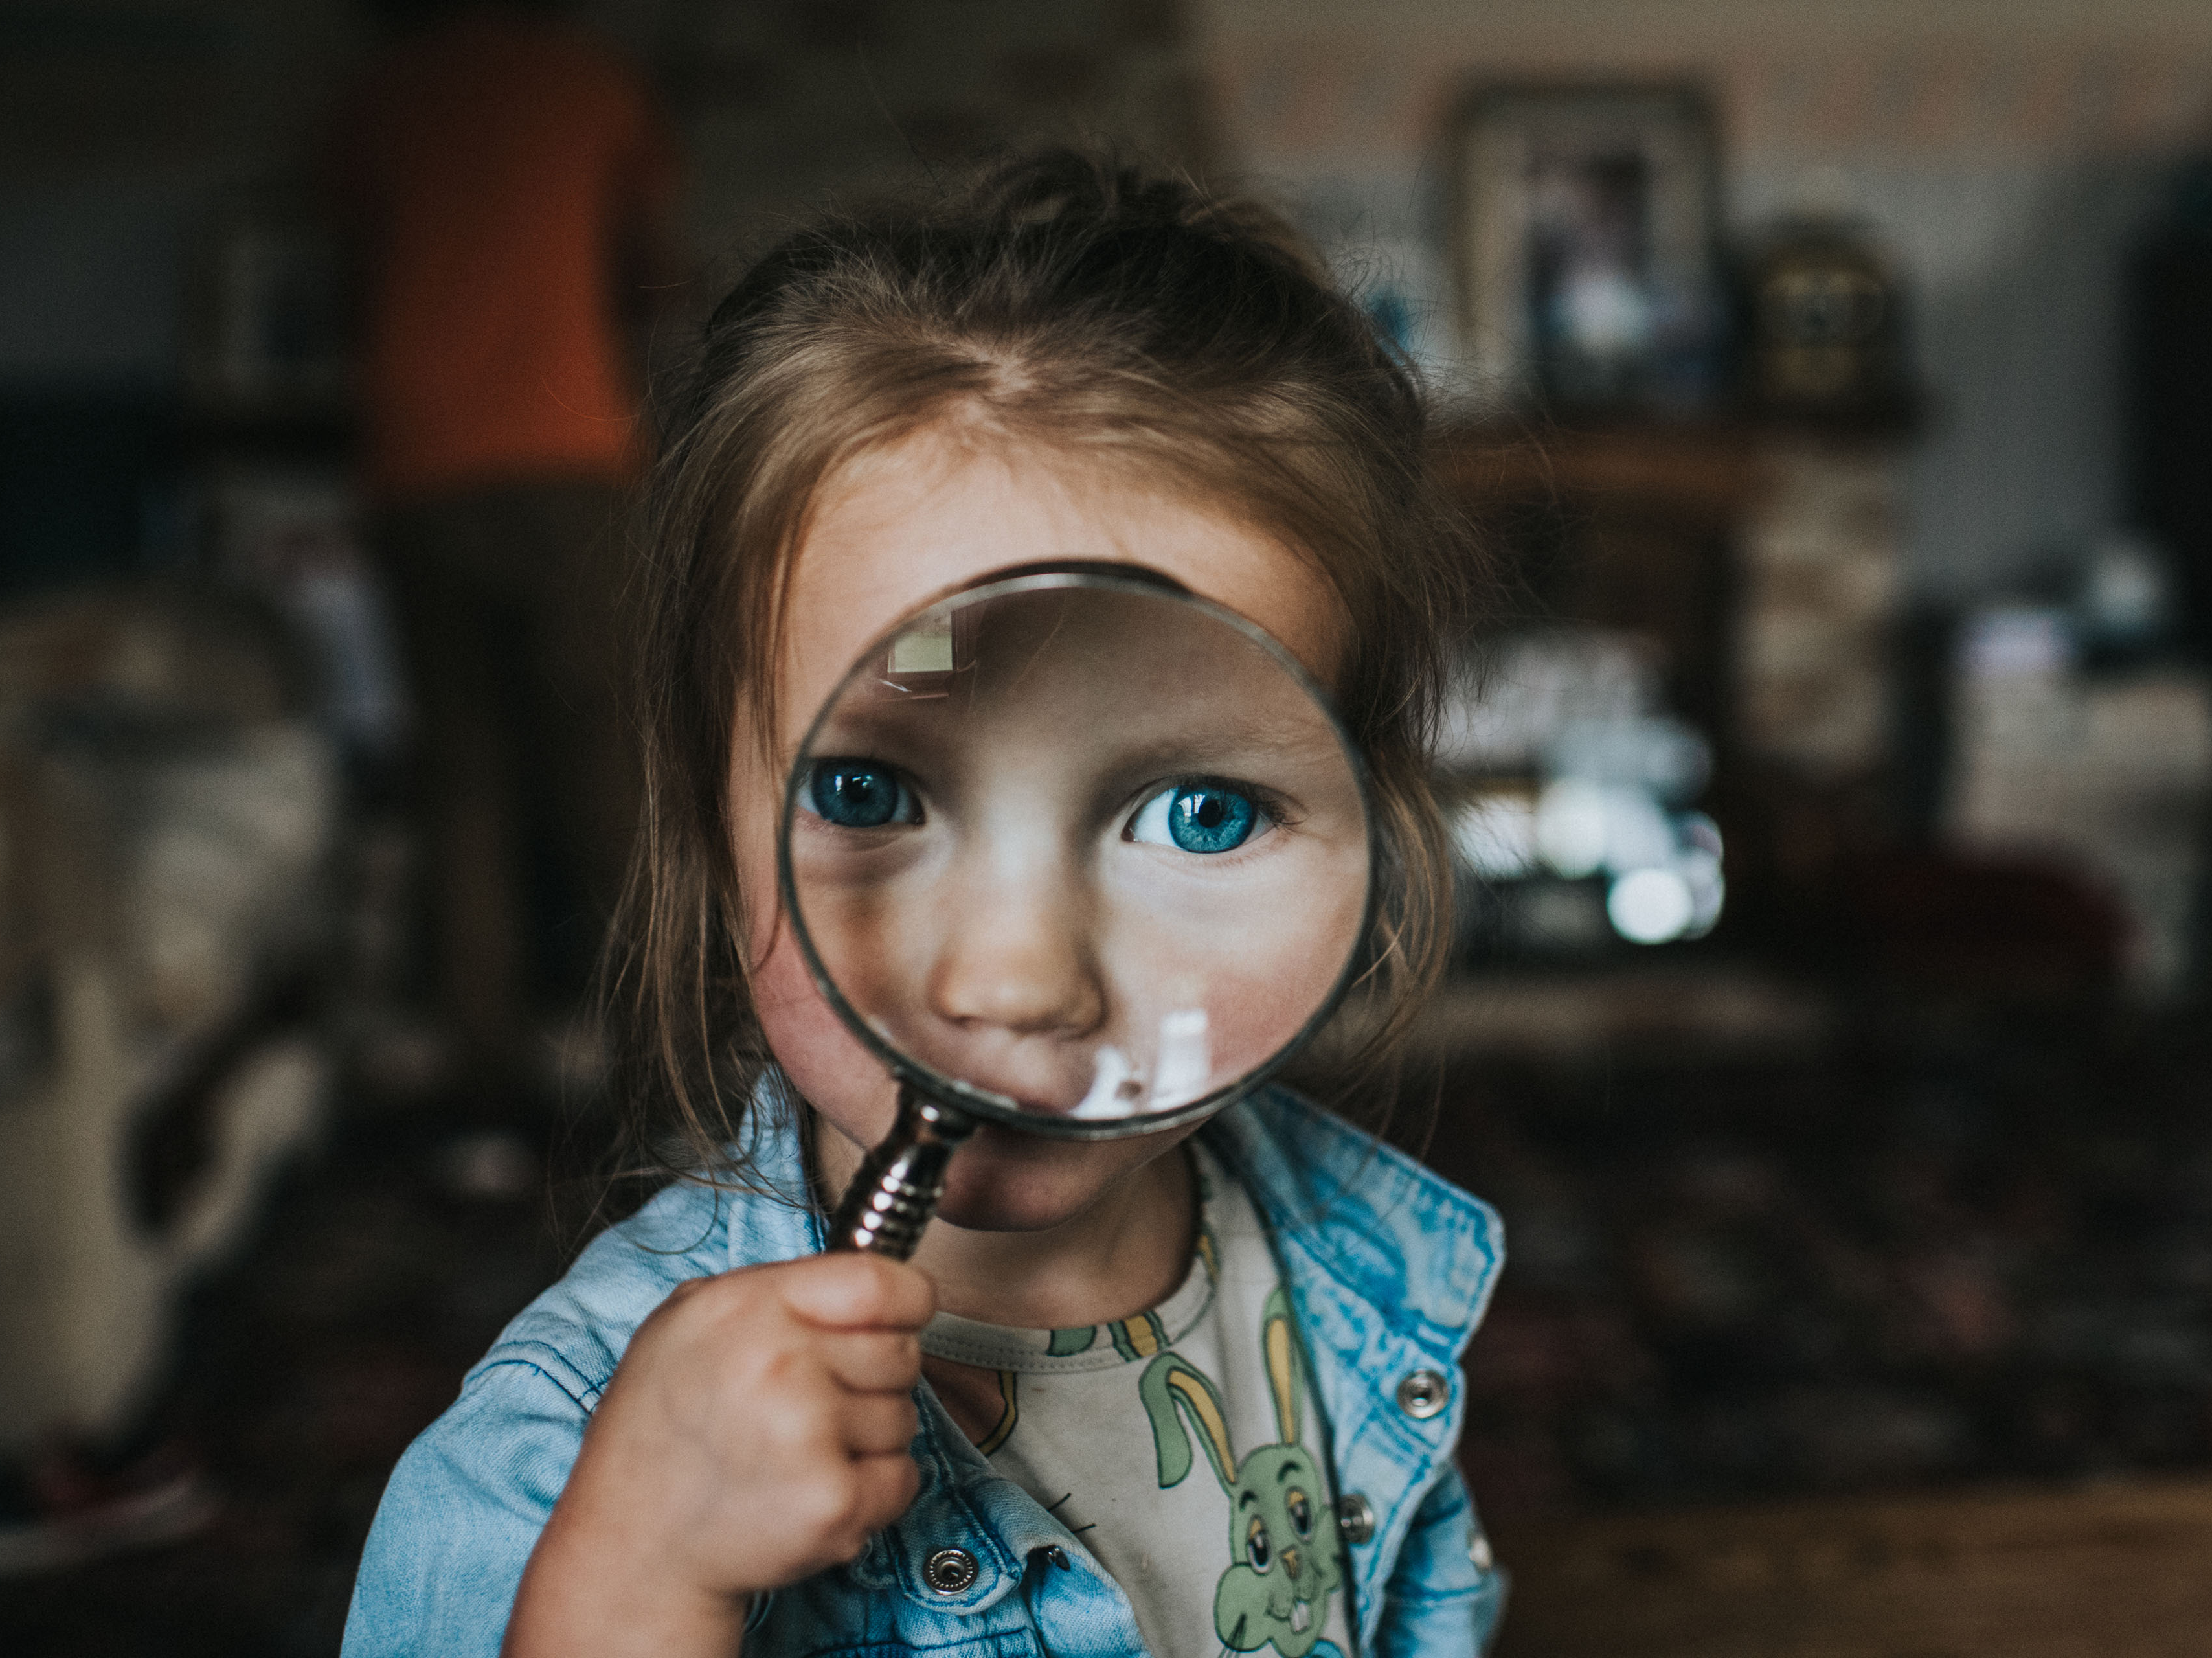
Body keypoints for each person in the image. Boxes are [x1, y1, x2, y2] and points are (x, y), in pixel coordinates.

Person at [341, 152, 1506, 1658]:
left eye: (1200, 811)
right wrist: (640, 1581)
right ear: (709, 806)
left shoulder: (1360, 1272)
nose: (1015, 983)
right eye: (870, 793)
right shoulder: (568, 1450)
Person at [327, 0, 681, 1085]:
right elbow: (655, 277)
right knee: (608, 755)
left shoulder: (380, 98)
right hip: (567, 447)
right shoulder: (591, 85)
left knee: (463, 765)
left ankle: (483, 1053)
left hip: (418, 457)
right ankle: (657, 1052)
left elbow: (353, 274)